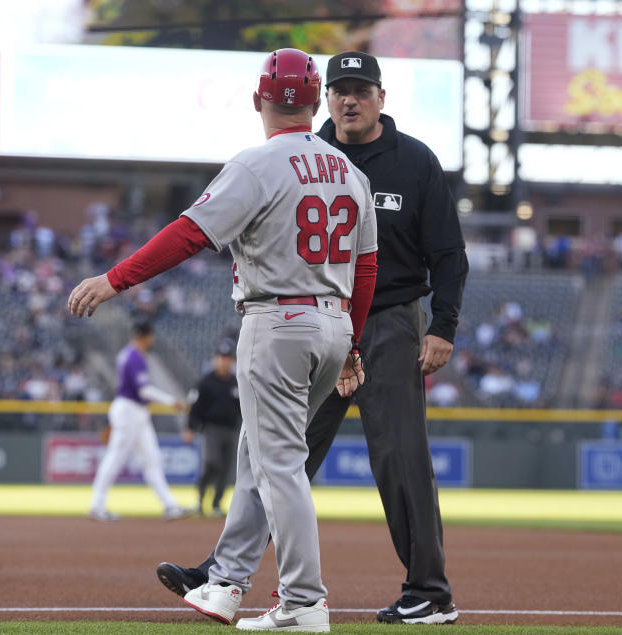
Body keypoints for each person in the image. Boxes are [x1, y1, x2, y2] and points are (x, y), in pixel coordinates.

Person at [68, 47, 378, 633]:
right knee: (255, 456)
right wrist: (353, 344)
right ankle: (227, 583)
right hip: (334, 323)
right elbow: (366, 270)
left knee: (279, 464)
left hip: (279, 321)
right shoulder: (351, 172)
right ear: (317, 104)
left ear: (261, 99)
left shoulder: (258, 164)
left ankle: (305, 602)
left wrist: (115, 279)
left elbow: (189, 234)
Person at [155, 50, 468, 626]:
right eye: (339, 89)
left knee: (400, 456)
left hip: (392, 321)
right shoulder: (308, 154)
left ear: (381, 97)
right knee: (275, 452)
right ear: (323, 96)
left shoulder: (414, 161)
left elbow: (449, 253)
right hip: (322, 322)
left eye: (361, 89)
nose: (349, 100)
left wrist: (443, 326)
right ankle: (224, 572)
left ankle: (428, 589)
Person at [88, 322, 193, 522]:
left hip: (135, 412)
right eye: (150, 336)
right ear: (144, 336)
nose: (151, 340)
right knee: (115, 458)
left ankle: (170, 505)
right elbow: (143, 391)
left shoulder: (127, 354)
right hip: (129, 410)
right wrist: (171, 401)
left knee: (152, 459)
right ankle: (96, 505)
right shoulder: (135, 356)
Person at [183, 339, 241, 517]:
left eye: (227, 358)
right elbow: (195, 407)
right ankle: (201, 496)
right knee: (213, 462)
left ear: (232, 361)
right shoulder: (206, 382)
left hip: (231, 429)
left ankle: (216, 504)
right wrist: (190, 428)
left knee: (226, 469)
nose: (224, 361)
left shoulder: (236, 382)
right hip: (212, 428)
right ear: (215, 359)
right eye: (221, 357)